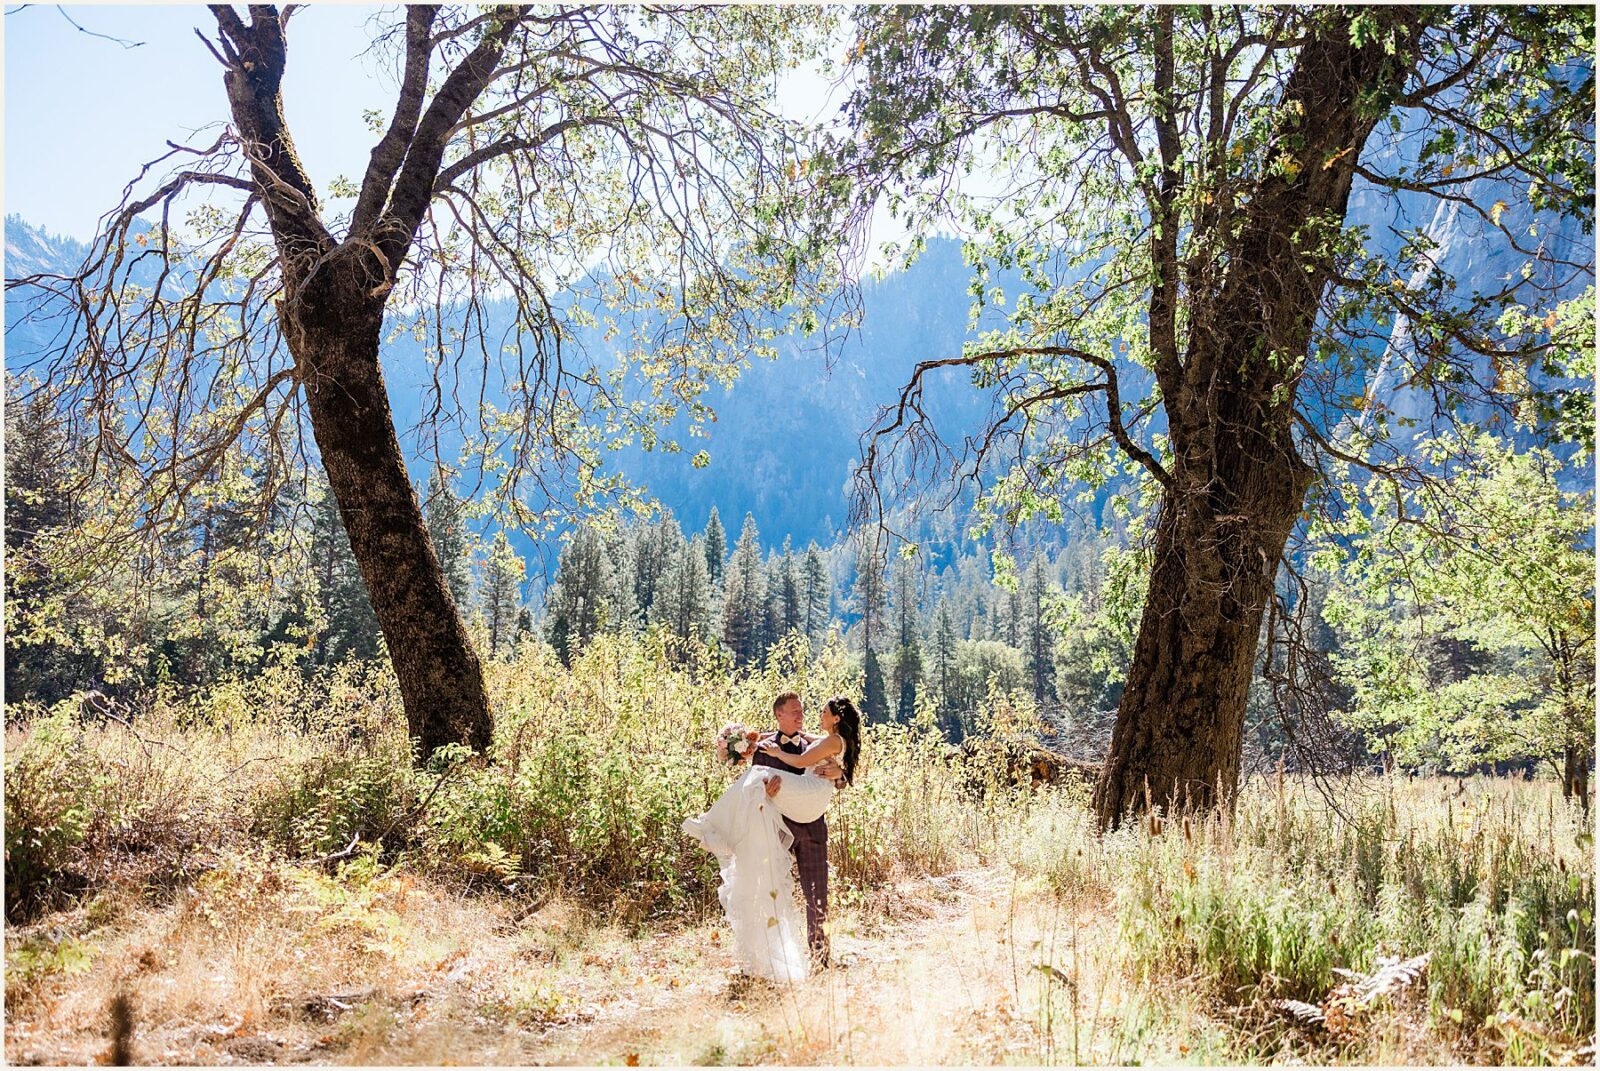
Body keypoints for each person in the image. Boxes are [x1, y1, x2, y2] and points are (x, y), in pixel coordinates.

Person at [682, 693, 862, 981]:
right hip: (775, 829)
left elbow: (835, 779)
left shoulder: (814, 743)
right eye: (794, 712)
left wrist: (839, 774)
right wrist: (766, 792)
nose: (801, 716)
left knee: (818, 895)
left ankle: (821, 959)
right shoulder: (764, 749)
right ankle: (771, 959)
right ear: (779, 715)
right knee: (768, 890)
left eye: (802, 711)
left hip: (812, 825)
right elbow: (754, 785)